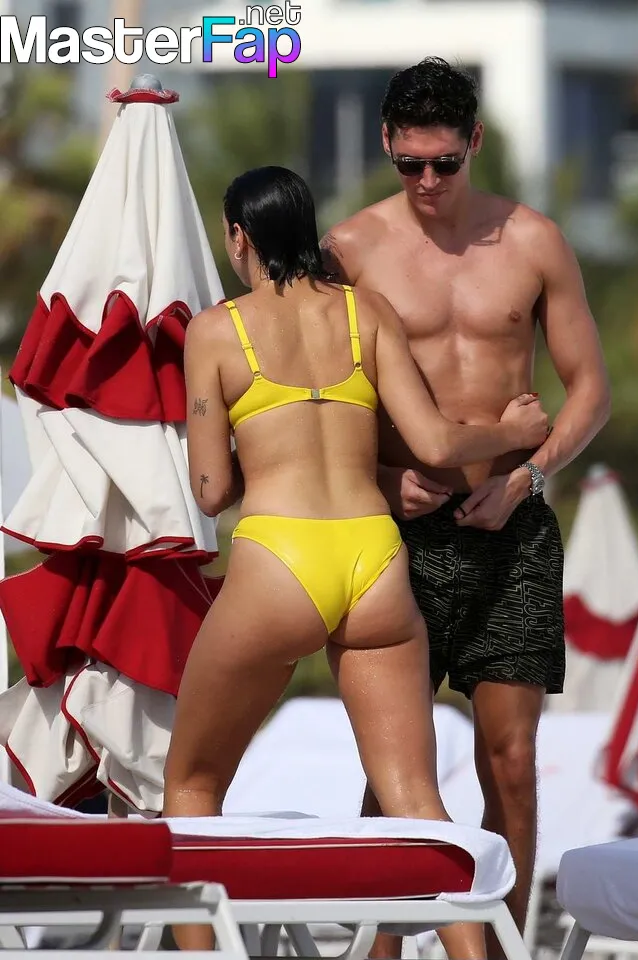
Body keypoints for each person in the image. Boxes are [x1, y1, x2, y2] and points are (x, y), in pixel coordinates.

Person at [162, 165, 549, 952]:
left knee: (191, 785)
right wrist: (512, 433)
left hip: (280, 558)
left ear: (239, 236)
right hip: (374, 560)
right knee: (417, 804)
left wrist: (249, 438)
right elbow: (435, 441)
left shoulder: (215, 330)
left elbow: (211, 490)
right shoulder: (364, 311)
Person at [321, 57, 611, 960]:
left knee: (511, 765)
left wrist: (529, 477)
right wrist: (379, 480)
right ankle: (380, 953)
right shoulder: (349, 251)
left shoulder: (533, 241)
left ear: (474, 142)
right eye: (410, 164)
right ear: (387, 146)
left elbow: (591, 390)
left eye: (445, 162)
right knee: (392, 775)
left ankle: (505, 951)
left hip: (513, 528)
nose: (428, 181)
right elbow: (315, 404)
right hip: (394, 535)